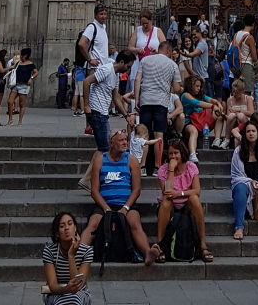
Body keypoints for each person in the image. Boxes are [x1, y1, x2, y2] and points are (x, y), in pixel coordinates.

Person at [81, 128, 157, 264]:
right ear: (112, 142)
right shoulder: (100, 160)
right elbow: (94, 191)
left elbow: (136, 189)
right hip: (104, 203)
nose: (125, 143)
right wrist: (105, 208)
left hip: (126, 203)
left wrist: (126, 207)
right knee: (93, 223)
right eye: (121, 140)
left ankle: (147, 253)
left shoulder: (132, 160)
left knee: (135, 223)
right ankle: (79, 253)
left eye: (126, 140)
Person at [155, 138, 213, 263]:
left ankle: (203, 244)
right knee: (165, 203)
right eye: (171, 153)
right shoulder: (163, 170)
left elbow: (197, 190)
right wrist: (171, 169)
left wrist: (179, 193)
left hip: (187, 204)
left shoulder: (190, 167)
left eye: (176, 153)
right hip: (170, 205)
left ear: (182, 153)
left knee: (194, 199)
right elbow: (167, 193)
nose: (173, 156)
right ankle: (160, 245)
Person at [133, 40, 183, 173]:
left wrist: (137, 99)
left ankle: (142, 166)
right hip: (161, 102)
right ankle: (157, 166)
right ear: (168, 51)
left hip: (145, 99)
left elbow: (137, 79)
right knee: (158, 134)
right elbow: (177, 88)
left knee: (144, 133)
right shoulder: (172, 65)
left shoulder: (145, 60)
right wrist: (180, 89)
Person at [42, 211, 93, 305]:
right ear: (57, 233)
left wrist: (71, 256)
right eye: (62, 226)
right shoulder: (49, 251)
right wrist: (66, 289)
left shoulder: (87, 251)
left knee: (75, 299)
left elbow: (78, 285)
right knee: (62, 301)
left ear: (75, 228)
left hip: (80, 293)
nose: (66, 228)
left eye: (70, 224)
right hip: (57, 292)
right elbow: (52, 286)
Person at [88, 51, 134, 152]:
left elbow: (116, 98)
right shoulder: (107, 70)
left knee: (102, 149)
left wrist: (126, 116)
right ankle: (101, 168)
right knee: (105, 148)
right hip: (97, 112)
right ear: (122, 62)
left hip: (103, 113)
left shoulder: (116, 75)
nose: (128, 70)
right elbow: (87, 81)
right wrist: (87, 106)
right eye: (128, 66)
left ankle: (93, 168)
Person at [78, 4, 110, 134]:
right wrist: (89, 59)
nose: (103, 16)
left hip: (102, 68)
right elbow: (82, 43)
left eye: (105, 14)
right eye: (101, 14)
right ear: (96, 15)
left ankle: (95, 124)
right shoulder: (92, 27)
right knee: (91, 97)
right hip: (94, 68)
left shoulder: (103, 27)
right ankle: (89, 125)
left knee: (98, 96)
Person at [180, 74, 224, 159]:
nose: (199, 88)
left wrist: (218, 103)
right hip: (190, 123)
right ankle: (192, 154)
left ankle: (217, 140)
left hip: (202, 122)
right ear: (190, 85)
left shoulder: (200, 95)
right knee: (193, 131)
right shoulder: (185, 95)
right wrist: (212, 106)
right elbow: (197, 103)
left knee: (220, 116)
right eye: (197, 86)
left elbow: (210, 99)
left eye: (200, 86)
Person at [7, 46, 38, 125]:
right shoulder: (18, 62)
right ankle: (10, 119)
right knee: (10, 101)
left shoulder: (30, 64)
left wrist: (31, 78)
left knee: (22, 104)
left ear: (26, 55)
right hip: (16, 84)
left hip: (24, 85)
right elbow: (13, 68)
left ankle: (20, 121)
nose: (20, 56)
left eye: (22, 55)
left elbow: (36, 72)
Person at [222, 77, 256, 147]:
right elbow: (228, 117)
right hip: (233, 125)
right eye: (233, 92)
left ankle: (243, 135)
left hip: (245, 122)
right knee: (232, 116)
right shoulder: (230, 100)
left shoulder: (248, 98)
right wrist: (223, 115)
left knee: (240, 115)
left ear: (242, 91)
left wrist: (239, 111)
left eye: (237, 93)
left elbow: (252, 114)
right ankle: (227, 139)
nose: (234, 94)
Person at [235, 15, 258, 106]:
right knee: (247, 92)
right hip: (247, 66)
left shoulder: (236, 34)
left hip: (237, 66)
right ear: (253, 24)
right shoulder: (250, 37)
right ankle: (247, 113)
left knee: (238, 91)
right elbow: (254, 57)